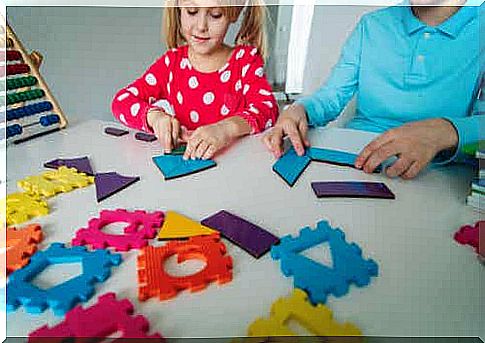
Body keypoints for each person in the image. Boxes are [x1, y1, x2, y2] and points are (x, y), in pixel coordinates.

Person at [264, 0, 483, 179]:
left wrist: (445, 131)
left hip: (440, 176)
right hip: (355, 159)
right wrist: (299, 110)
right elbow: (331, 96)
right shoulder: (372, 25)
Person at [112, 0, 278, 160]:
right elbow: (121, 102)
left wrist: (225, 129)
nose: (201, 26)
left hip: (233, 171)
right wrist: (155, 117)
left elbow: (268, 109)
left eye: (215, 14)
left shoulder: (245, 61)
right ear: (179, 7)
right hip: (186, 167)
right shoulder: (172, 63)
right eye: (192, 11)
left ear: (235, 11)